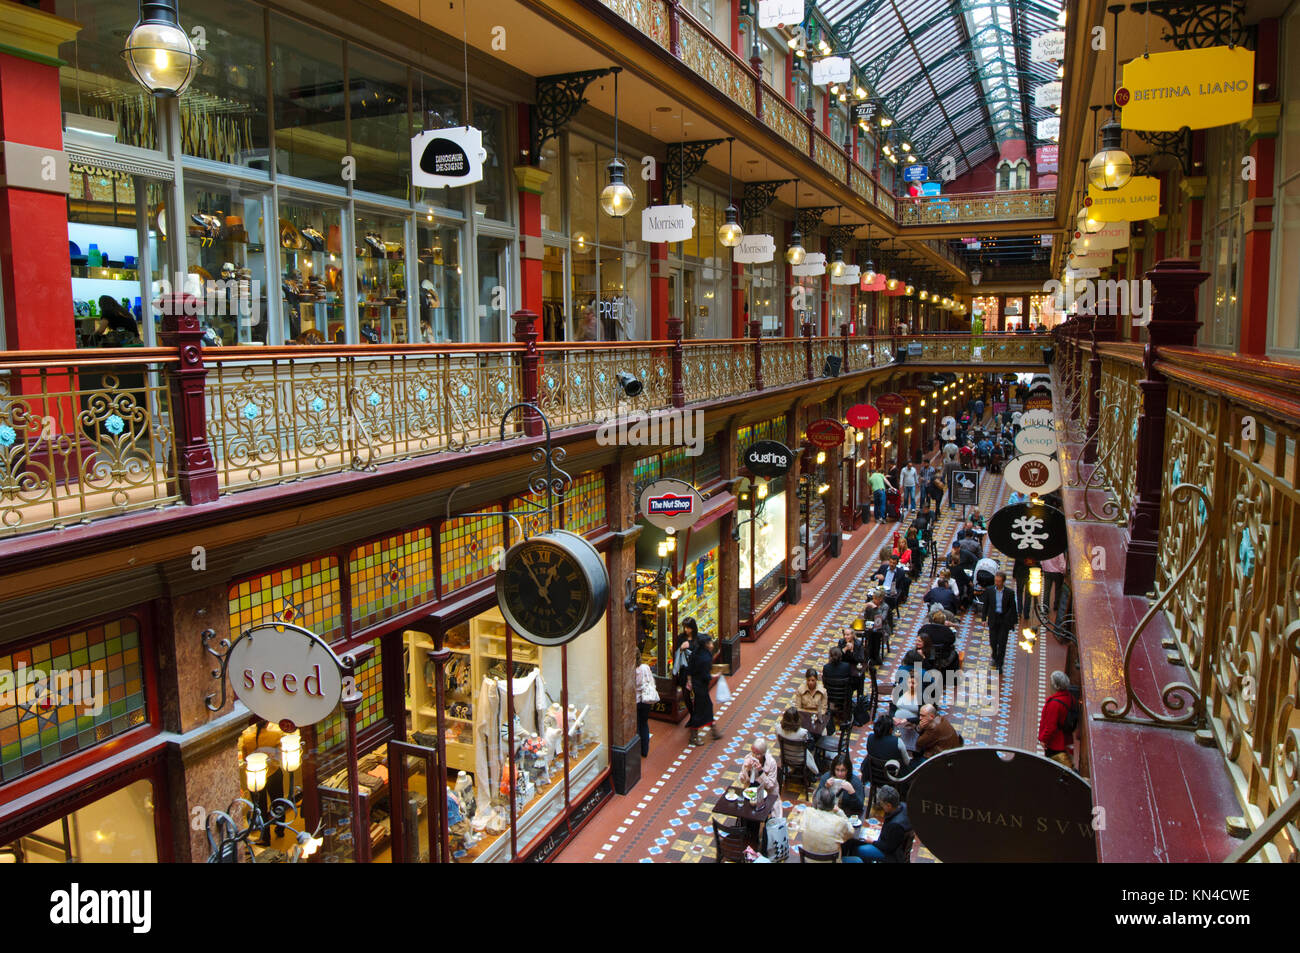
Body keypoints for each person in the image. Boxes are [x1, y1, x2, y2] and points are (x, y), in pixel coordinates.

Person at [800, 786, 858, 862]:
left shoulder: (807, 812)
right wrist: (840, 812)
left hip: (808, 860)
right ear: (834, 804)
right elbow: (851, 833)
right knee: (857, 860)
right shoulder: (840, 822)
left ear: (817, 801)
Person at [859, 785, 913, 863]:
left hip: (892, 855)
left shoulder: (895, 826)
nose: (881, 806)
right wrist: (882, 827)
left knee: (859, 850)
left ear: (888, 805)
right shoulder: (904, 806)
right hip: (897, 846)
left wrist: (872, 842)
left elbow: (888, 848)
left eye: (882, 804)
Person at [686, 634, 723, 744]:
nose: (712, 645)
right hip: (701, 686)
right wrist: (716, 675)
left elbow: (690, 667)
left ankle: (714, 731)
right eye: (710, 643)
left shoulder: (697, 652)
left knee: (707, 706)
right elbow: (705, 676)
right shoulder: (705, 658)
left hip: (696, 684)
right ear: (706, 645)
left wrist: (689, 680)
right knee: (700, 709)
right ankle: (694, 736)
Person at [1039, 671, 1076, 767]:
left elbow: (1050, 726)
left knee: (1053, 767)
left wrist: (1044, 740)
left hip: (1055, 743)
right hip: (1066, 739)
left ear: (1055, 686)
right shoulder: (1070, 698)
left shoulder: (1054, 703)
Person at [983, 571, 1018, 672]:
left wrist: (1014, 622)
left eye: (999, 581)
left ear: (1003, 582)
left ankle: (999, 664)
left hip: (1004, 620)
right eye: (996, 581)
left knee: (1002, 643)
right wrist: (984, 618)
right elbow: (986, 605)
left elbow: (1013, 607)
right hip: (993, 619)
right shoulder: (989, 591)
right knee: (993, 641)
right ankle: (994, 655)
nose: (997, 583)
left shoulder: (1009, 593)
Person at [735, 737, 780, 815]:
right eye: (753, 753)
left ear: (763, 753)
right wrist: (747, 770)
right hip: (751, 790)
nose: (754, 756)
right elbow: (742, 780)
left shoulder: (771, 763)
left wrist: (761, 772)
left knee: (769, 812)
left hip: (767, 792)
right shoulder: (748, 758)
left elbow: (770, 785)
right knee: (742, 808)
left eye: (758, 754)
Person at [817, 754, 865, 818]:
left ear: (848, 770)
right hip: (827, 812)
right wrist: (825, 788)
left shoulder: (855, 782)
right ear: (833, 769)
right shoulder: (826, 777)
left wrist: (852, 792)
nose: (839, 774)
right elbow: (817, 799)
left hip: (846, 814)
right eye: (837, 770)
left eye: (843, 770)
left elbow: (859, 807)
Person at [774, 707, 819, 775]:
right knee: (813, 745)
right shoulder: (803, 733)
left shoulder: (777, 728)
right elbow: (807, 743)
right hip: (800, 759)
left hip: (785, 756)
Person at [672, 621, 696, 717]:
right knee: (686, 695)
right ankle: (692, 714)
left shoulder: (697, 638)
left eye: (688, 627)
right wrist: (681, 649)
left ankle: (696, 715)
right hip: (684, 671)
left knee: (698, 694)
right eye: (685, 627)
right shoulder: (681, 638)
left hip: (695, 670)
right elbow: (676, 652)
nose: (686, 630)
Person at [634, 656, 657, 757]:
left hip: (635, 701)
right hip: (646, 700)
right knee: (644, 724)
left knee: (637, 725)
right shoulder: (645, 667)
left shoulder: (630, 670)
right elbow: (651, 681)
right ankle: (645, 750)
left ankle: (636, 750)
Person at [1042, 551, 1067, 619]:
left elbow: (1042, 561)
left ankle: (1045, 607)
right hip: (1057, 573)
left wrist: (1043, 569)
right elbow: (1062, 563)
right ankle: (1056, 606)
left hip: (1047, 571)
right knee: (1058, 590)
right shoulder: (1059, 552)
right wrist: (1064, 572)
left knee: (1046, 590)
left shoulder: (1047, 549)